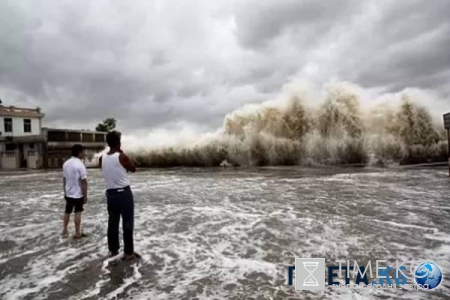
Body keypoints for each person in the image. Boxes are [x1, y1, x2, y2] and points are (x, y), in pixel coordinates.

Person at [100, 131, 138, 260]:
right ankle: (128, 253)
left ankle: (113, 250)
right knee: (127, 222)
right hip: (123, 194)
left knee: (113, 223)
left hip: (111, 195)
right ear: (118, 142)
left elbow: (110, 170)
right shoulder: (122, 156)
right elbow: (133, 169)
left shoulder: (102, 158)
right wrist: (122, 154)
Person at [62, 144, 88, 238]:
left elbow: (64, 180)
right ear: (79, 152)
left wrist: (65, 192)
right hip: (78, 194)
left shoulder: (66, 163)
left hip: (68, 193)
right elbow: (84, 182)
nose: (84, 154)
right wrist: (85, 196)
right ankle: (77, 233)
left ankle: (64, 229)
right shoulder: (80, 165)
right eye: (83, 152)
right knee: (78, 212)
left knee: (67, 211)